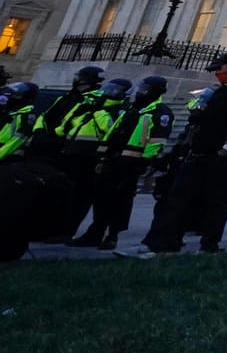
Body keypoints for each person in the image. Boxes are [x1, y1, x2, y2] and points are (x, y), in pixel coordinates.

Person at [138, 51, 227, 255]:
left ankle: (209, 245)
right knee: (178, 197)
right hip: (199, 152)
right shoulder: (222, 89)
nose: (217, 72)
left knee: (216, 200)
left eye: (219, 68)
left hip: (221, 154)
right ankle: (163, 243)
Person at [72, 75, 171, 250]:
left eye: (144, 89)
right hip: (113, 159)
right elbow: (113, 132)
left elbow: (156, 141)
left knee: (120, 200)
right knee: (101, 197)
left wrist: (146, 162)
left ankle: (113, 235)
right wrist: (103, 155)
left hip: (132, 162)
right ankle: (95, 232)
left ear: (153, 91)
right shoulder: (132, 108)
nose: (140, 92)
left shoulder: (160, 112)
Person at [54, 76, 129, 237]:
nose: (108, 93)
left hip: (91, 157)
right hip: (71, 153)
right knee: (64, 194)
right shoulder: (90, 105)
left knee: (81, 196)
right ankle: (56, 228)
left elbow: (110, 130)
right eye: (108, 89)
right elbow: (64, 127)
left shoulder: (118, 110)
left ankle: (67, 231)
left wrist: (98, 112)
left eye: (114, 90)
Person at [28, 65, 104, 158]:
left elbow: (72, 120)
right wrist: (39, 130)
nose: (76, 79)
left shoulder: (93, 100)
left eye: (80, 77)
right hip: (44, 140)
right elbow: (45, 115)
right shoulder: (66, 97)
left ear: (87, 80)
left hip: (62, 143)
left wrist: (53, 134)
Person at [0, 80, 39, 162]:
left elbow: (16, 141)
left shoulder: (27, 115)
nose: (14, 96)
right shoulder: (10, 110)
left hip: (10, 157)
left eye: (17, 95)